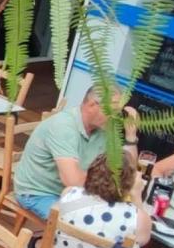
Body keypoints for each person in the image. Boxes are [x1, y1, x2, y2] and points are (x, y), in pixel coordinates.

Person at [14, 84, 138, 220]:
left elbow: (127, 171)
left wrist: (131, 136)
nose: (116, 117)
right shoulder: (64, 127)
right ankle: (38, 242)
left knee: (111, 222)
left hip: (73, 193)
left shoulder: (104, 128)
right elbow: (72, 180)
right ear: (92, 105)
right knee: (88, 223)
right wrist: (108, 188)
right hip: (39, 193)